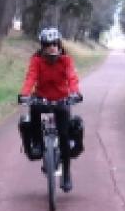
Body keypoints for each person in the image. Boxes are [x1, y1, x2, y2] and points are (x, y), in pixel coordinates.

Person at [18, 28, 85, 191]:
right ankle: (38, 145)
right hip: (42, 97)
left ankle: (67, 174)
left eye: (55, 44)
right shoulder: (36, 60)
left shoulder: (66, 60)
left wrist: (75, 93)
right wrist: (24, 94)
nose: (52, 47)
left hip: (62, 99)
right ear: (42, 46)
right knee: (33, 110)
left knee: (63, 135)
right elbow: (31, 78)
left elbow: (72, 78)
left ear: (59, 44)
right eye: (48, 44)